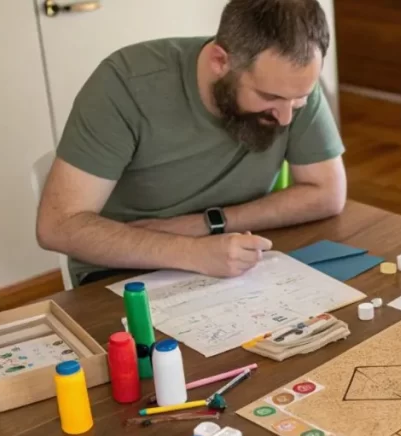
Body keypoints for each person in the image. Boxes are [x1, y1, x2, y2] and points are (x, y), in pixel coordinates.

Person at [36, 0, 346, 287]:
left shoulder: (288, 84)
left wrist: (208, 225)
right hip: (123, 272)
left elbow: (327, 193)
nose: (286, 118)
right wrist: (192, 252)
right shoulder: (125, 85)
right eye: (269, 98)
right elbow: (57, 224)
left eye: (300, 100)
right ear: (220, 61)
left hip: (236, 257)